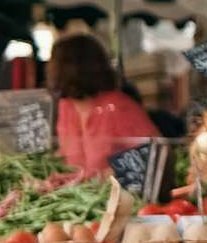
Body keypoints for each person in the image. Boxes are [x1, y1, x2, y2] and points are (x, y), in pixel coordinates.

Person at [49, 32, 158, 177]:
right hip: (78, 194)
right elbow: (67, 154)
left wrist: (105, 175)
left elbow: (155, 154)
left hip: (118, 195)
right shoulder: (66, 106)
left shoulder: (118, 107)